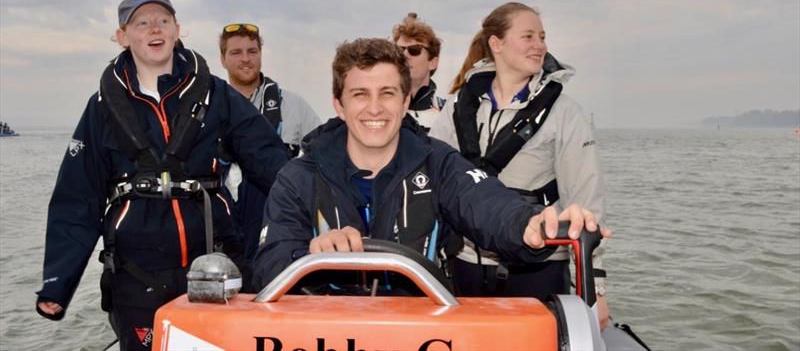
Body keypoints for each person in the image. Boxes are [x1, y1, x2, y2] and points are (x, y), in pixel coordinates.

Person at [36, 0, 289, 350]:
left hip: (216, 265)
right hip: (137, 274)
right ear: (122, 36)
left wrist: (319, 215)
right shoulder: (101, 107)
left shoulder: (216, 94)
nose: (154, 28)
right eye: (142, 23)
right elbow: (77, 198)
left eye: (163, 21)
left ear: (177, 30)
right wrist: (57, 283)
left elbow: (270, 162)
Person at [252, 37, 608, 290]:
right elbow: (268, 266)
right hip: (324, 333)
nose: (374, 109)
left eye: (387, 94)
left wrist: (529, 228)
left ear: (406, 100)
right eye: (360, 94)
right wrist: (310, 256)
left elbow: (488, 206)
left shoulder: (437, 162)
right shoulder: (298, 175)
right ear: (339, 105)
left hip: (423, 330)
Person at [428, 2, 611, 329]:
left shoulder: (566, 113)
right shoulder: (459, 106)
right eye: (527, 36)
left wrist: (595, 290)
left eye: (542, 36)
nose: (539, 45)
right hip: (467, 260)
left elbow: (584, 202)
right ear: (496, 44)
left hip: (539, 266)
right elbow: (434, 176)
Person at [218, 22, 321, 258]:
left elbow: (322, 158)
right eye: (236, 52)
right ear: (223, 59)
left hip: (278, 221)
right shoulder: (210, 107)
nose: (246, 59)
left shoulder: (294, 106)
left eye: (252, 51)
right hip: (224, 222)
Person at [391, 13, 446, 132]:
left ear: (433, 62)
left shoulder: (449, 113)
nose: (405, 55)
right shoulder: (378, 111)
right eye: (399, 50)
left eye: (414, 50)